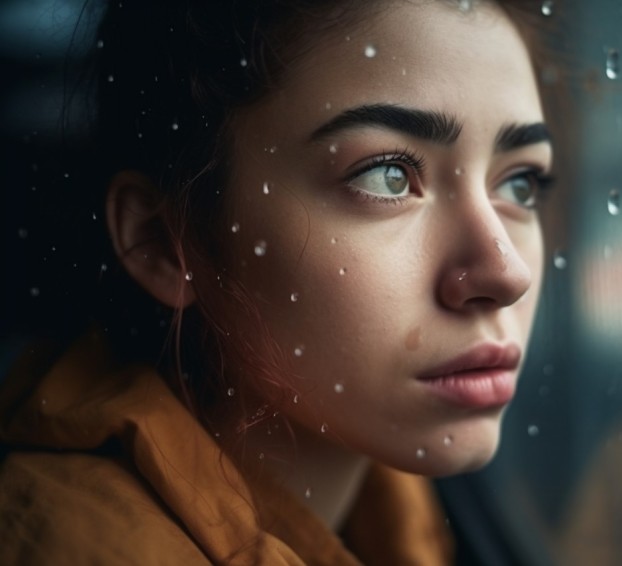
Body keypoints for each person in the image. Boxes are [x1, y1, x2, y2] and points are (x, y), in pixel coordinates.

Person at [0, 0, 564, 563]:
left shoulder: (406, 524)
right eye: (389, 176)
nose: (505, 272)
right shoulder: (80, 546)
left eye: (519, 184)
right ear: (166, 242)